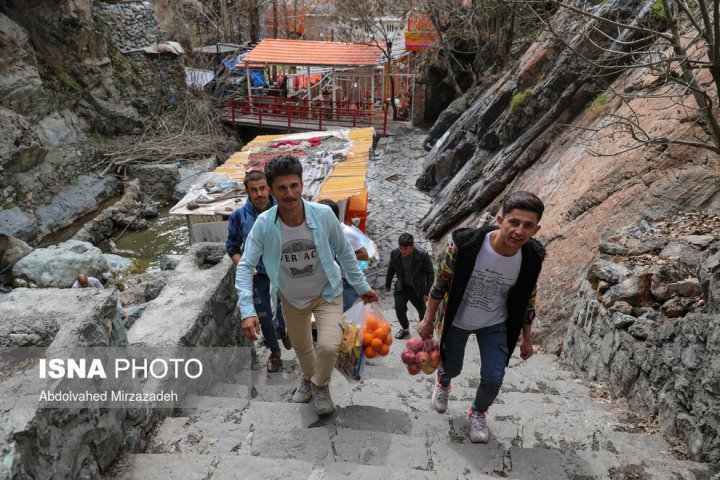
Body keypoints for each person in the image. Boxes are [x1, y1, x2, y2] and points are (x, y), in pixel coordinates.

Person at [235, 155, 378, 415]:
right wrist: (247, 310)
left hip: (327, 292)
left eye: (294, 186)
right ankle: (307, 376)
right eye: (281, 188)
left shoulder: (323, 215)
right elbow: (245, 266)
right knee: (301, 347)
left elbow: (345, 252)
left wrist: (361, 287)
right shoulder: (264, 224)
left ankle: (320, 386)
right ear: (271, 190)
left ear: (302, 185)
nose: (289, 193)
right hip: (290, 298)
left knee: (327, 346)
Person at [417, 191, 546, 444]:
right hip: (457, 319)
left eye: (528, 226)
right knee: (452, 367)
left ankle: (478, 411)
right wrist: (428, 319)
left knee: (494, 377)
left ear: (536, 229)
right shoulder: (466, 246)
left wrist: (527, 339)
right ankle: (443, 382)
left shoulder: (531, 259)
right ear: (501, 220)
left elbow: (529, 297)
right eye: (514, 222)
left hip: (495, 323)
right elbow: (441, 282)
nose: (519, 231)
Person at [226, 170, 291, 373]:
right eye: (254, 190)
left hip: (283, 271)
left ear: (269, 188)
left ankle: (283, 328)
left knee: (285, 310)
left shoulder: (283, 209)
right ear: (247, 191)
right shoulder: (239, 216)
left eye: (262, 188)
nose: (259, 194)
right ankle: (275, 352)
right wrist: (246, 265)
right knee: (263, 315)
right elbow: (232, 246)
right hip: (258, 275)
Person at [318, 198, 369, 312]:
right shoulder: (322, 231)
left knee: (342, 312)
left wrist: (341, 256)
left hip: (347, 284)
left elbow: (364, 255)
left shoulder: (346, 233)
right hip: (332, 282)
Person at [384, 233, 434, 339]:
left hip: (418, 288)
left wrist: (427, 292)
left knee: (422, 311)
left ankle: (424, 330)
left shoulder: (422, 255)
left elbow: (430, 274)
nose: (402, 251)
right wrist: (387, 284)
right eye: (400, 248)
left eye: (405, 249)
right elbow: (391, 268)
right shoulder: (395, 253)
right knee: (399, 308)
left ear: (412, 246)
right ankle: (405, 329)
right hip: (402, 285)